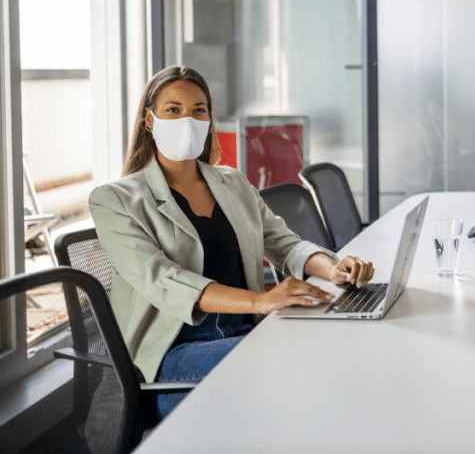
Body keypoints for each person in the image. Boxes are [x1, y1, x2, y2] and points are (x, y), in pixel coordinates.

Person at [89, 66, 375, 416]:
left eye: (199, 110)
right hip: (173, 357)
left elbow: (284, 243)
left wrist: (333, 269)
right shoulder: (114, 200)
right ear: (150, 120)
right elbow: (165, 281)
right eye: (173, 110)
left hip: (246, 335)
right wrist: (261, 301)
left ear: (209, 120)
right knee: (301, 372)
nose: (187, 120)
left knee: (328, 345)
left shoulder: (233, 183)